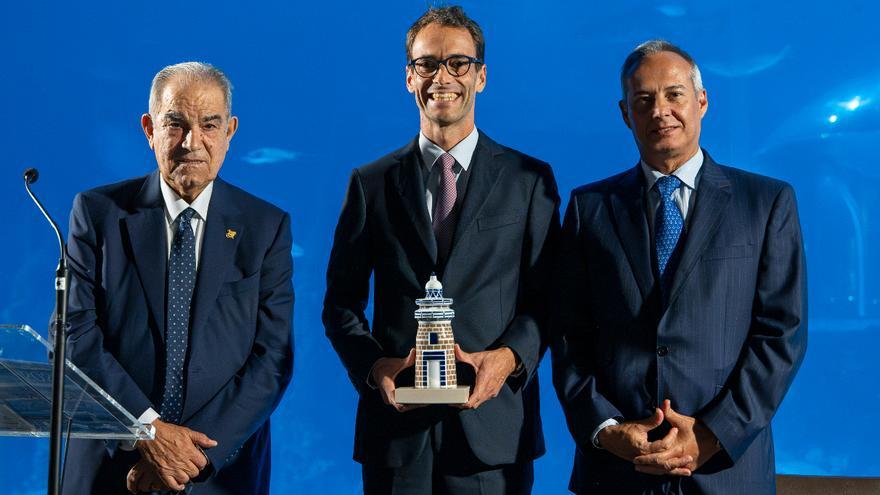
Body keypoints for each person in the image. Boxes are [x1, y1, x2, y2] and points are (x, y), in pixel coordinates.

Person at [552, 40, 807, 494]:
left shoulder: (766, 203)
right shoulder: (588, 208)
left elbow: (781, 335)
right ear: (625, 113)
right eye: (643, 100)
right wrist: (608, 430)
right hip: (617, 470)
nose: (660, 110)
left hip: (726, 470)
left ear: (702, 101)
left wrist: (710, 435)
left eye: (674, 94)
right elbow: (570, 336)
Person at [322, 6, 559, 494]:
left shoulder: (529, 181)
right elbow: (340, 304)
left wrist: (510, 358)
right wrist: (373, 366)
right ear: (410, 77)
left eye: (458, 63)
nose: (442, 77)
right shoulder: (370, 183)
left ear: (482, 75)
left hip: (492, 435)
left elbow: (550, 298)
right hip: (396, 436)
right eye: (427, 64)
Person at [60, 62, 294, 494]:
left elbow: (272, 359)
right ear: (149, 128)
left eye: (209, 125)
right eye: (176, 123)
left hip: (219, 470)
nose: (192, 142)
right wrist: (147, 431)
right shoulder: (97, 214)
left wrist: (189, 457)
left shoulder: (265, 227)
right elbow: (75, 336)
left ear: (230, 132)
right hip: (111, 467)